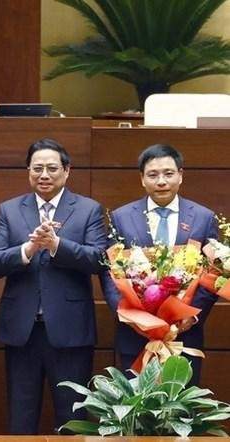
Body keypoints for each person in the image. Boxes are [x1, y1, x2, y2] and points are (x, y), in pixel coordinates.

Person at [0, 138, 106, 434]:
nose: (44, 175)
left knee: (73, 415)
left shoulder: (88, 209)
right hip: (22, 331)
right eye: (37, 168)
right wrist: (27, 248)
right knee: (21, 414)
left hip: (70, 330)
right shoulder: (9, 210)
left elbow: (98, 259)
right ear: (28, 171)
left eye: (52, 168)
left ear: (67, 171)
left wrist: (56, 246)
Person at [100, 143, 217, 384]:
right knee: (136, 414)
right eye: (153, 175)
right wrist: (132, 319)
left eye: (168, 173)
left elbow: (212, 275)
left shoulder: (204, 218)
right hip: (136, 337)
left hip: (184, 336)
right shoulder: (121, 218)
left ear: (181, 175)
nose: (161, 181)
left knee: (181, 412)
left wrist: (191, 317)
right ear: (142, 179)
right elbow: (109, 273)